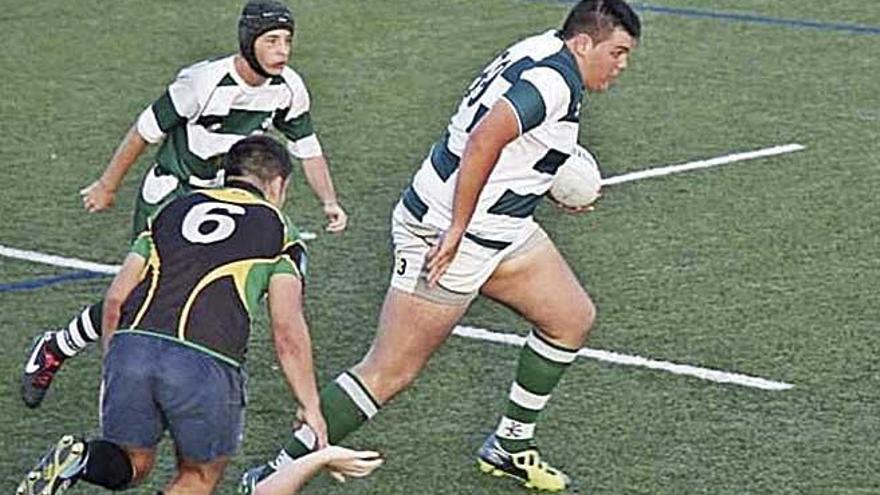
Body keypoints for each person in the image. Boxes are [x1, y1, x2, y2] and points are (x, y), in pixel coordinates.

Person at [241, 0, 641, 492]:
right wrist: (454, 230)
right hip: (448, 234)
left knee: (570, 318)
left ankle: (509, 446)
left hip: (498, 229)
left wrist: (542, 180)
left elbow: (512, 140)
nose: (622, 65)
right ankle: (271, 476)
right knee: (387, 372)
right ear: (583, 42)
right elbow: (483, 141)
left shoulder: (541, 48)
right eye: (617, 52)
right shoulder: (553, 83)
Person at [22, 0, 348, 409]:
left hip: (224, 200)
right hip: (172, 195)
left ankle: (198, 376)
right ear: (249, 42)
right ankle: (55, 348)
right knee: (141, 293)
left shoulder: (288, 88)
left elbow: (307, 147)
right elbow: (144, 132)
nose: (283, 51)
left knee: (215, 289)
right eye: (272, 41)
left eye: (287, 40)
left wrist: (329, 200)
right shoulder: (203, 82)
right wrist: (107, 185)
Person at [17, 135, 329, 495]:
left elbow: (117, 298)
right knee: (199, 475)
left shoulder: (171, 210)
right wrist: (311, 405)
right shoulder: (281, 232)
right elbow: (287, 330)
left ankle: (80, 459)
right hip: (206, 360)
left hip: (131, 346)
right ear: (277, 184)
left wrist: (115, 361)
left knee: (133, 462)